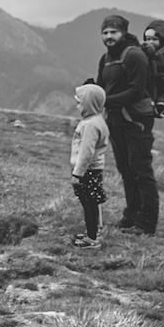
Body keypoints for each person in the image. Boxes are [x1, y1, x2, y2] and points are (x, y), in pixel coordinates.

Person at [96, 14, 158, 234]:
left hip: (137, 121)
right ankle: (131, 216)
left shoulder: (134, 55)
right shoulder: (106, 59)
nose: (109, 36)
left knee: (141, 170)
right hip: (115, 120)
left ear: (123, 33)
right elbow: (103, 86)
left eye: (113, 32)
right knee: (126, 169)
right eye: (105, 32)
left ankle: (147, 223)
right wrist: (91, 89)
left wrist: (105, 100)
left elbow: (137, 91)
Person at [69, 83, 110, 247]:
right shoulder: (98, 121)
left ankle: (92, 239)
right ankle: (94, 233)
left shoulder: (90, 125)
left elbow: (86, 152)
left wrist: (77, 173)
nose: (78, 106)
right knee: (93, 202)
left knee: (89, 203)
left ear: (89, 103)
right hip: (94, 169)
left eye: (80, 102)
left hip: (88, 171)